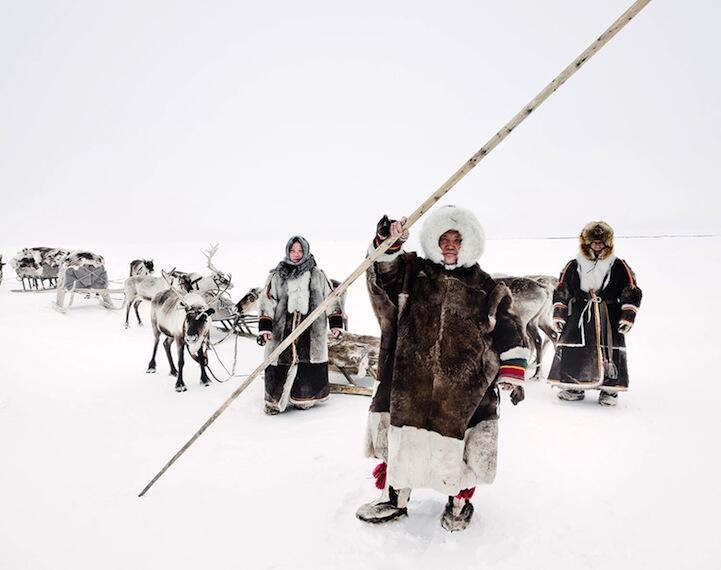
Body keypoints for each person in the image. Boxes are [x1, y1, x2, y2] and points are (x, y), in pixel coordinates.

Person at [357, 205, 529, 532]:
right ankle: (394, 499)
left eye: (457, 239)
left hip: (463, 388)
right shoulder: (414, 272)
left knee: (459, 448)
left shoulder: (487, 287)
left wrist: (511, 372)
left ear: (469, 243)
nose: (449, 245)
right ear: (433, 241)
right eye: (443, 239)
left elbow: (510, 328)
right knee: (400, 441)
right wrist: (389, 239)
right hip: (410, 382)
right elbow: (383, 270)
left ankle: (458, 503)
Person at [548, 221, 642, 406]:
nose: (597, 246)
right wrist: (559, 313)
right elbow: (562, 289)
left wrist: (627, 315)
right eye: (594, 242)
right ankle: (573, 387)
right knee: (575, 348)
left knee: (609, 350)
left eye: (601, 242)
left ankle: (609, 391)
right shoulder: (573, 265)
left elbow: (630, 290)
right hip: (579, 315)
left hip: (609, 314)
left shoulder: (618, 265)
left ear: (607, 244)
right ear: (586, 243)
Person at [258, 236, 344, 414]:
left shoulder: (317, 274)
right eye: (292, 251)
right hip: (283, 327)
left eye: (300, 251)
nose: (296, 255)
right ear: (287, 251)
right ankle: (274, 401)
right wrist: (265, 326)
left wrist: (335, 323)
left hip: (311, 327)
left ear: (305, 251)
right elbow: (267, 300)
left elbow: (331, 299)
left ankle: (305, 397)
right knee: (280, 359)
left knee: (307, 360)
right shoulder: (277, 275)